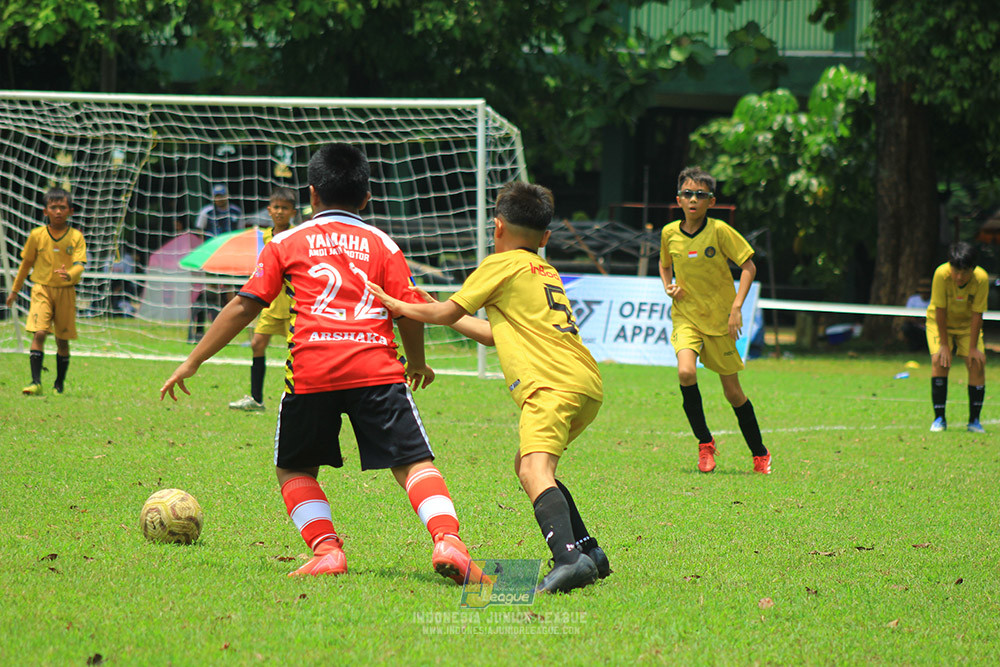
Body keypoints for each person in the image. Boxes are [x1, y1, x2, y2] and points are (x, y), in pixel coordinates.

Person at [161, 144, 487, 585]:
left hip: (313, 372)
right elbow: (408, 309)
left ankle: (327, 550)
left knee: (293, 467)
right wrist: (418, 362)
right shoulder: (383, 243)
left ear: (312, 195)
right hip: (376, 370)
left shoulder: (285, 242)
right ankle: (448, 540)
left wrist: (193, 361)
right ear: (366, 199)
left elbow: (243, 307)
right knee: (412, 462)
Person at [366, 180, 609, 595]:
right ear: (545, 238)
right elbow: (492, 332)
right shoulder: (542, 270)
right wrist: (430, 304)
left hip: (549, 385)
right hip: (584, 382)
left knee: (535, 471)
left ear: (497, 227)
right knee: (529, 466)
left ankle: (569, 561)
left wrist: (400, 305)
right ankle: (590, 552)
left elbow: (445, 312)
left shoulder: (500, 265)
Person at [658, 166, 770, 475]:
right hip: (686, 317)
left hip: (720, 321)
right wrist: (669, 287)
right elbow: (664, 264)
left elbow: (748, 267)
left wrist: (736, 307)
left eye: (700, 195)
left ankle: (759, 453)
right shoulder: (669, 233)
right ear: (678, 199)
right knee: (685, 372)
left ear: (711, 201)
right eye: (688, 194)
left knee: (733, 393)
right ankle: (705, 443)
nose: (693, 200)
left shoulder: (719, 231)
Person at [5, 187, 88, 395]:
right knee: (39, 332)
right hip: (41, 289)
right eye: (53, 207)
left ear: (70, 210)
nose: (58, 211)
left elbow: (80, 264)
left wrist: (70, 274)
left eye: (62, 207)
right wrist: (15, 290)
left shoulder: (76, 237)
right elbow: (26, 265)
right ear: (45, 211)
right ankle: (35, 382)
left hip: (66, 292)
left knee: (62, 339)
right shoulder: (36, 235)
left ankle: (58, 385)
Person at [229, 187, 298, 411]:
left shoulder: (297, 236)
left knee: (298, 352)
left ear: (293, 212)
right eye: (276, 207)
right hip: (271, 302)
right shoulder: (262, 237)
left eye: (285, 208)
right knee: (257, 344)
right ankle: (256, 399)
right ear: (269, 210)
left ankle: (299, 397)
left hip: (293, 304)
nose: (280, 212)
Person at [926, 241, 988, 433]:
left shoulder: (981, 278)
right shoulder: (941, 274)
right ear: (950, 266)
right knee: (940, 360)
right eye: (956, 271)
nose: (959, 277)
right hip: (939, 322)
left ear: (973, 269)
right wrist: (944, 345)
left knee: (976, 363)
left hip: (968, 326)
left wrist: (971, 349)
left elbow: (978, 315)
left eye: (964, 272)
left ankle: (974, 421)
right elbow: (940, 311)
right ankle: (939, 419)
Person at [903, 278, 932, 351]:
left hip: (930, 329)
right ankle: (913, 348)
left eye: (927, 292)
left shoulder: (934, 300)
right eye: (923, 292)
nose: (925, 294)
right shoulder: (913, 299)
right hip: (916, 328)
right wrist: (918, 320)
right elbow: (907, 316)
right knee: (906, 327)